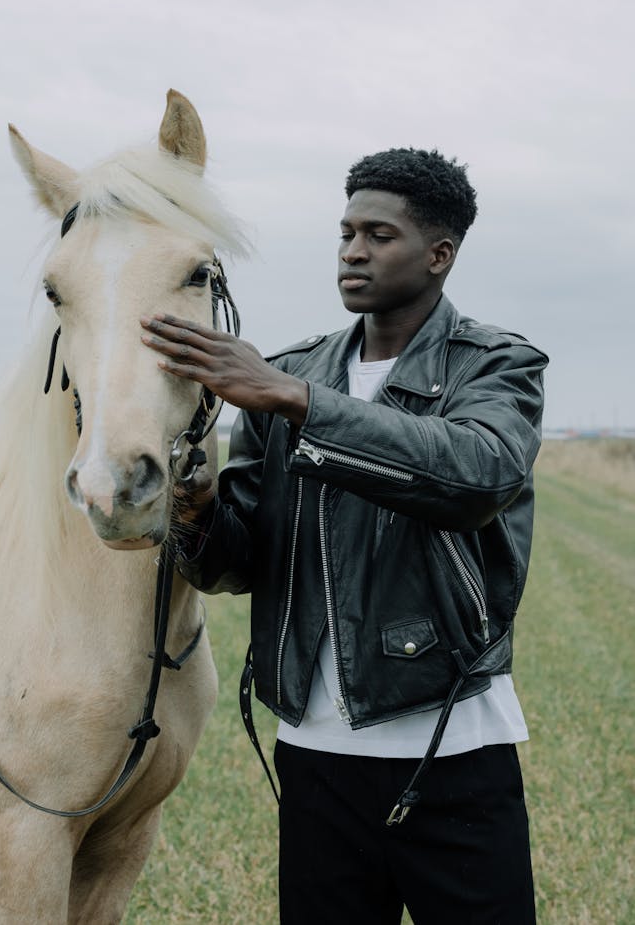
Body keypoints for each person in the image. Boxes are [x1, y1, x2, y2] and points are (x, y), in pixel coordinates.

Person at [141, 147, 548, 925]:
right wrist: (193, 508)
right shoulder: (290, 373)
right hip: (315, 756)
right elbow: (241, 561)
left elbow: (476, 474)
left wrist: (296, 401)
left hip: (451, 747)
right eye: (345, 231)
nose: (353, 250)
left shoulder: (496, 365)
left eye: (378, 234)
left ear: (440, 254)